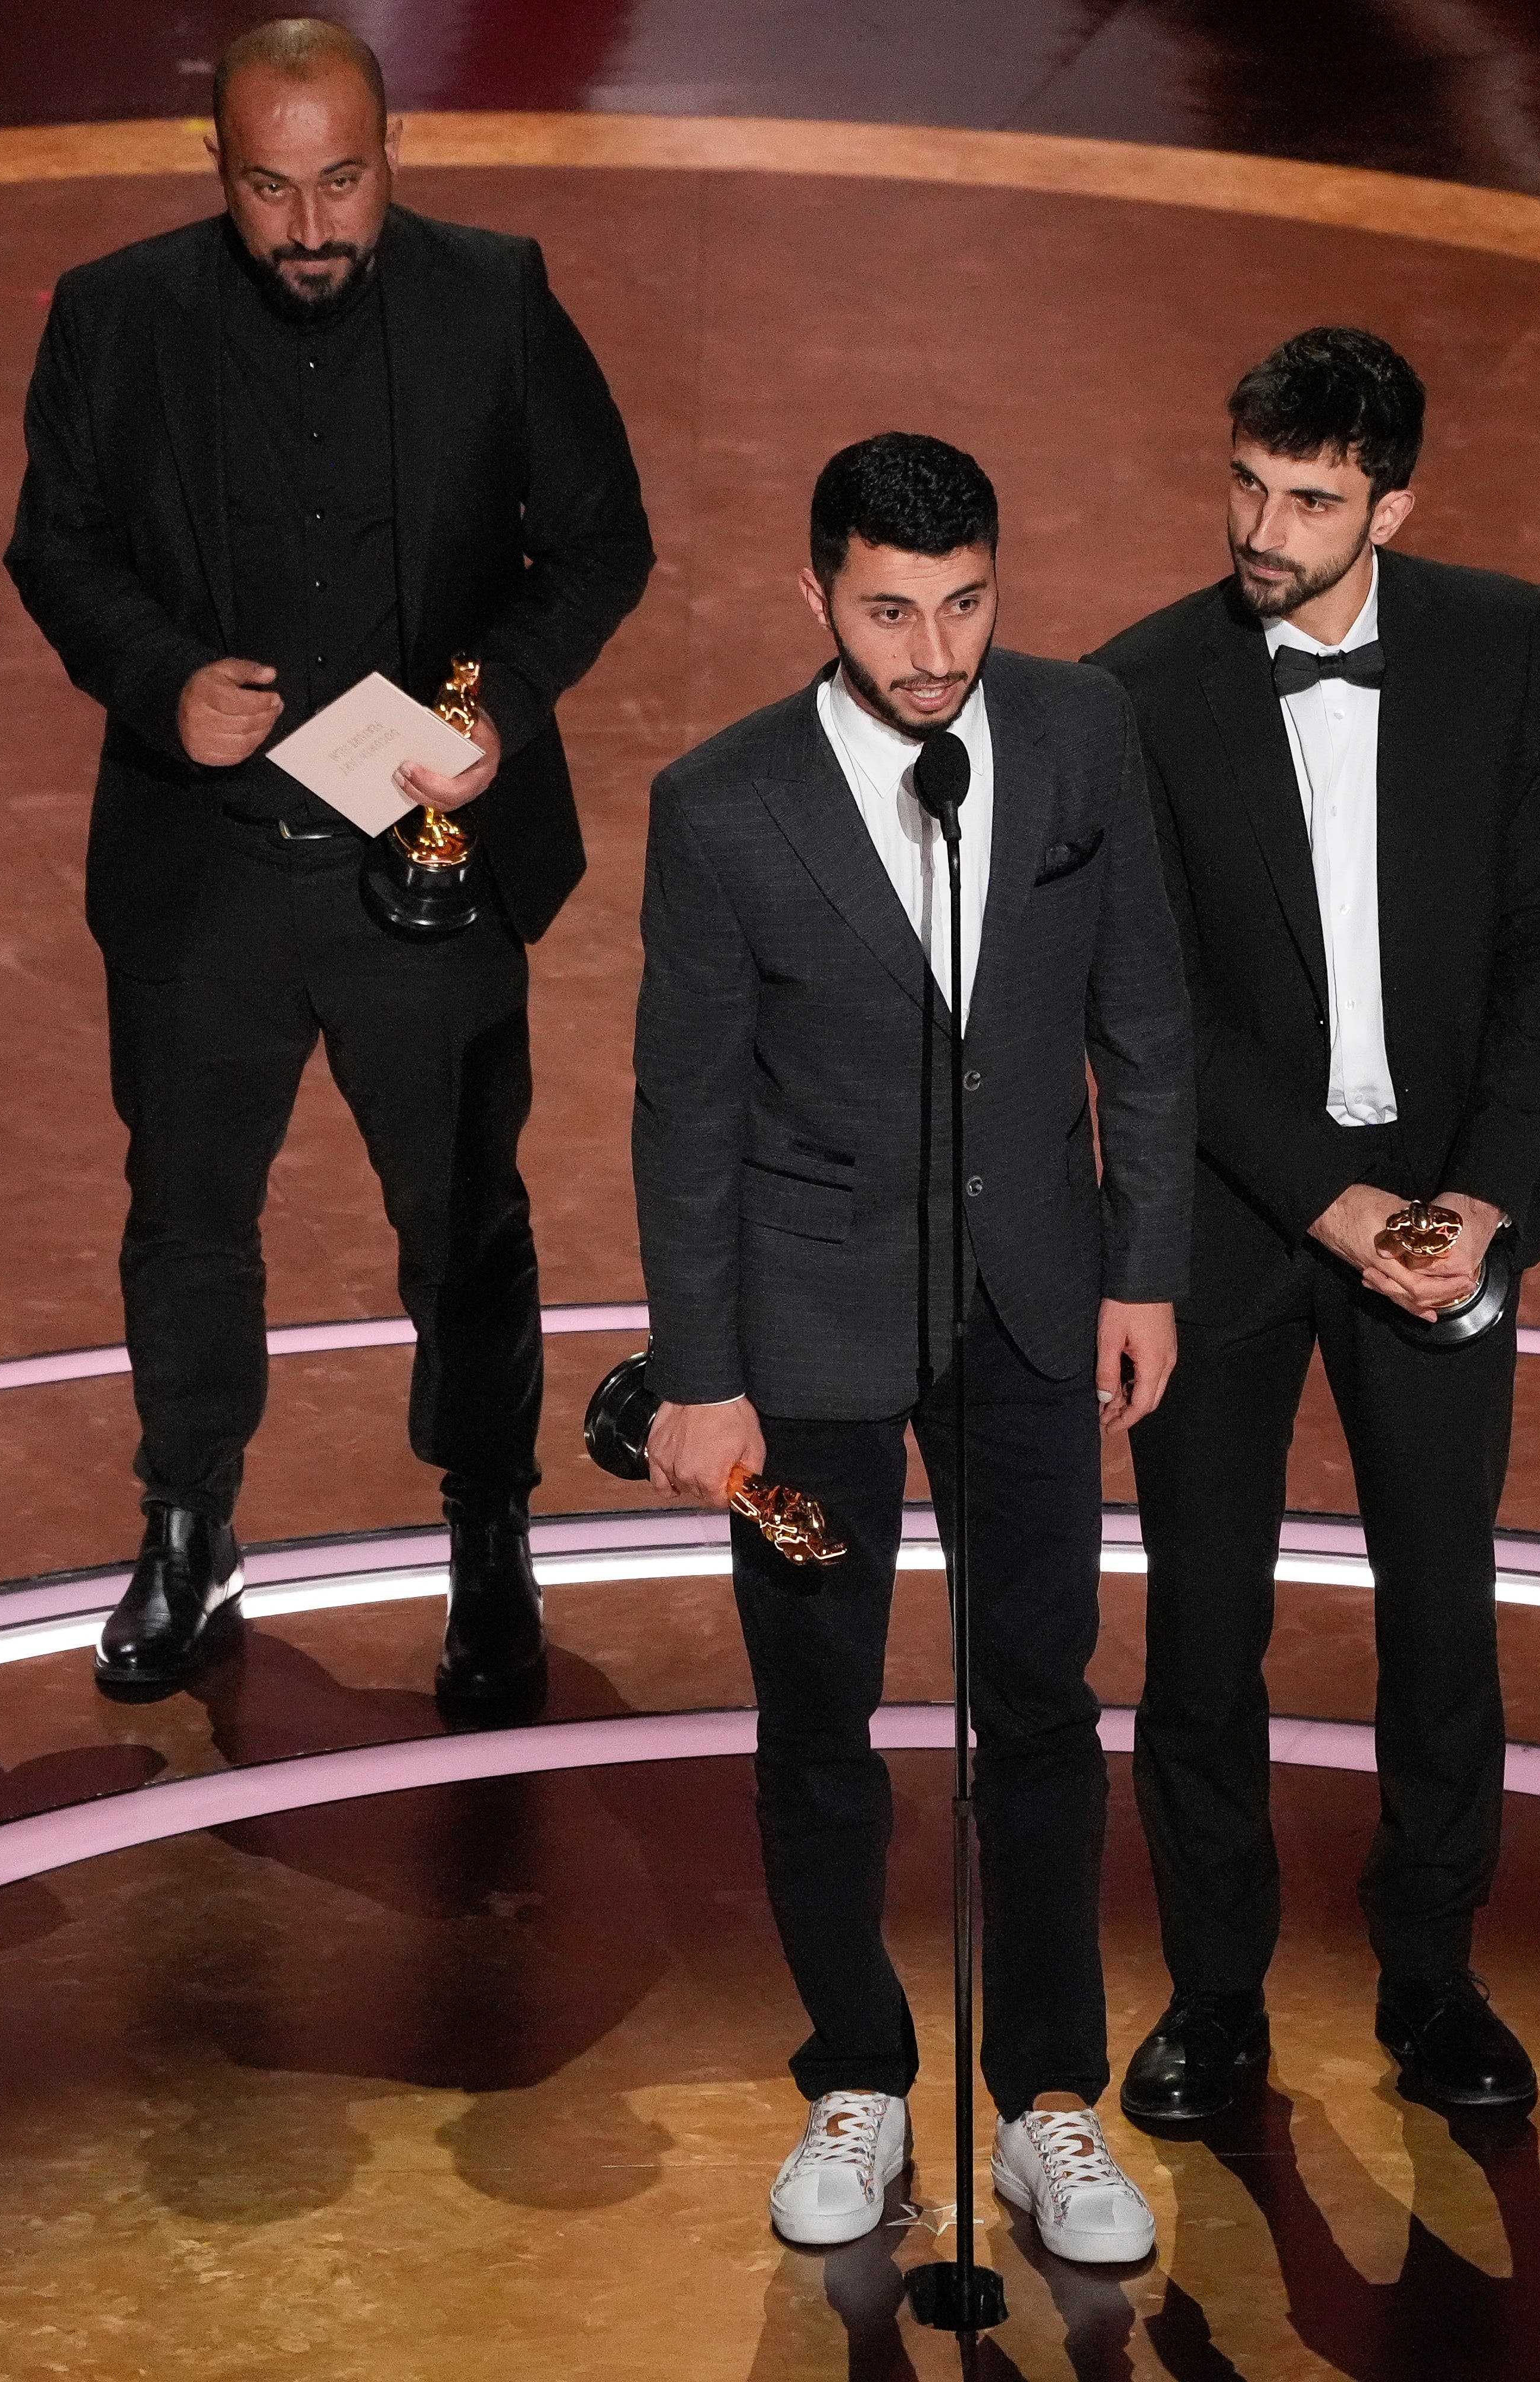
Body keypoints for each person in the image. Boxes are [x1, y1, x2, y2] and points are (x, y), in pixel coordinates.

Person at [7, 18, 653, 1716]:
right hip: (204, 877)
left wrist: (497, 710)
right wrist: (158, 678)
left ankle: (489, 1536)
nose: (311, 227)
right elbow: (53, 539)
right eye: (272, 189)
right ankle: (189, 1527)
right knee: (190, 1226)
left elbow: (601, 538)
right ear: (216, 172)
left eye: (343, 182)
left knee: (467, 1233)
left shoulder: (495, 296)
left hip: (425, 880)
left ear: (394, 153)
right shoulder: (115, 315)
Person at [632, 433, 1192, 2259]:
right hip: (805, 1337)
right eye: (888, 609)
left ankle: (1045, 2099)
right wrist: (703, 1373)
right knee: (817, 1712)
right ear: (815, 597)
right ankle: (855, 2080)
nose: (932, 649)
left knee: (1040, 1698)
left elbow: (1145, 1021)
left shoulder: (1080, 730)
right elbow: (683, 1110)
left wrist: (1144, 1267)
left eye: (961, 603)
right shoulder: (722, 804)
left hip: (1036, 1309)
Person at [1090, 328, 1540, 2120]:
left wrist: (1474, 1201)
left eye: (1307, 497)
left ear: (1393, 499)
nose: (1262, 523)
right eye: (1246, 482)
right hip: (1238, 1227)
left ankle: (1432, 1979)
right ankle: (1214, 1998)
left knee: (1440, 1619)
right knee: (1199, 1635)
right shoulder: (1136, 688)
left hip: (1447, 1219)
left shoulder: (1506, 644)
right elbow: (1147, 1010)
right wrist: (1331, 1199)